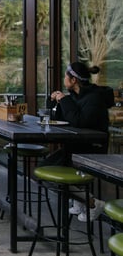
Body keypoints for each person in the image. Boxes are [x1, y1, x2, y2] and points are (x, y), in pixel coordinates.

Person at [46, 61, 114, 221]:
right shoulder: (75, 97)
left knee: (47, 172)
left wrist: (64, 100)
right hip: (75, 146)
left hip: (91, 149)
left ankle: (91, 202)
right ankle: (80, 199)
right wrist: (54, 102)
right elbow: (62, 118)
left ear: (73, 80)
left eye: (65, 76)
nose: (63, 79)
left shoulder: (94, 98)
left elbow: (80, 121)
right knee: (46, 169)